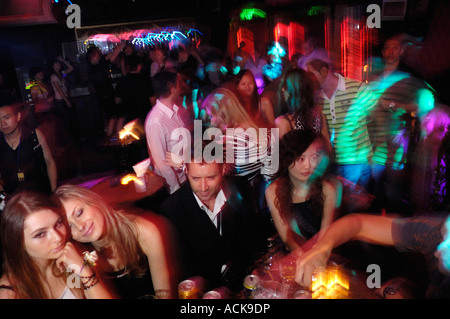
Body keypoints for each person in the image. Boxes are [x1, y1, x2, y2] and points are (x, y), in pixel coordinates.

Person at [159, 143, 265, 293]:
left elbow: (253, 240)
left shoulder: (240, 188)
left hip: (247, 282)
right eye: (195, 178)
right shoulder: (171, 210)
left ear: (223, 170)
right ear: (186, 171)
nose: (203, 187)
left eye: (211, 177)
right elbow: (184, 270)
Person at [54, 184, 176, 299]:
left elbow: (166, 295)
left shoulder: (145, 232)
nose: (80, 226)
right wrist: (81, 270)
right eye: (69, 226)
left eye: (79, 213)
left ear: (94, 202)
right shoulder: (76, 258)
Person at [294, 212, 450, 298]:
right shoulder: (433, 230)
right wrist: (322, 247)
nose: (438, 250)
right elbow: (358, 224)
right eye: (445, 235)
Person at [0, 191, 113, 299]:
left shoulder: (72, 258)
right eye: (40, 234)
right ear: (18, 243)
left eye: (58, 223)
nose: (58, 238)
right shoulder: (10, 293)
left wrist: (84, 271)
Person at [201, 87, 276, 213]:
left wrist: (183, 165)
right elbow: (271, 173)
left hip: (247, 208)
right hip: (270, 201)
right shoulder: (263, 129)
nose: (212, 122)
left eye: (212, 115)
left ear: (225, 112)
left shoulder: (229, 141)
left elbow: (217, 176)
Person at [306, 58, 374, 196]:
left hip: (356, 162)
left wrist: (376, 156)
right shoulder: (315, 97)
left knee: (355, 210)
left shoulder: (358, 88)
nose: (309, 79)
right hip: (330, 163)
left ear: (324, 71)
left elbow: (376, 121)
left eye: (311, 74)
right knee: (336, 209)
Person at [265, 129, 339, 253]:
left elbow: (325, 240)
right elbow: (288, 239)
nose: (308, 166)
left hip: (321, 256)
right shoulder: (273, 190)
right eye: (300, 158)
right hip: (292, 257)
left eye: (314, 157)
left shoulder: (327, 190)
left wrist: (313, 261)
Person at [145, 70, 190, 195]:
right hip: (174, 186)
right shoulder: (156, 121)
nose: (181, 86)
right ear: (172, 89)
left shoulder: (175, 111)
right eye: (178, 83)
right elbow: (161, 162)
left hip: (185, 177)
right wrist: (175, 189)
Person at [0, 102, 57, 196]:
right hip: (14, 197)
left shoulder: (33, 135)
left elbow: (49, 162)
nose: (3, 123)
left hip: (40, 192)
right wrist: (3, 197)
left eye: (7, 117)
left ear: (17, 117)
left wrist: (54, 191)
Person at [274, 66, 329, 146]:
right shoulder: (319, 116)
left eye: (286, 86)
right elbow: (328, 148)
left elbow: (280, 156)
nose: (283, 89)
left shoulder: (283, 122)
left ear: (295, 90)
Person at [114, 54, 153, 125]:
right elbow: (152, 101)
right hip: (145, 117)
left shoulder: (122, 82)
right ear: (138, 66)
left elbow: (117, 101)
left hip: (129, 119)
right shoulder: (146, 80)